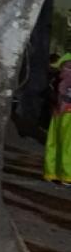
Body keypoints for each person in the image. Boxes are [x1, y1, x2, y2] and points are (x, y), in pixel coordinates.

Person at [44, 54, 71, 184]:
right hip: (67, 113)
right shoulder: (65, 79)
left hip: (57, 113)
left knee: (54, 143)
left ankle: (52, 172)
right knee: (67, 144)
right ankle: (67, 175)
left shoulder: (56, 78)